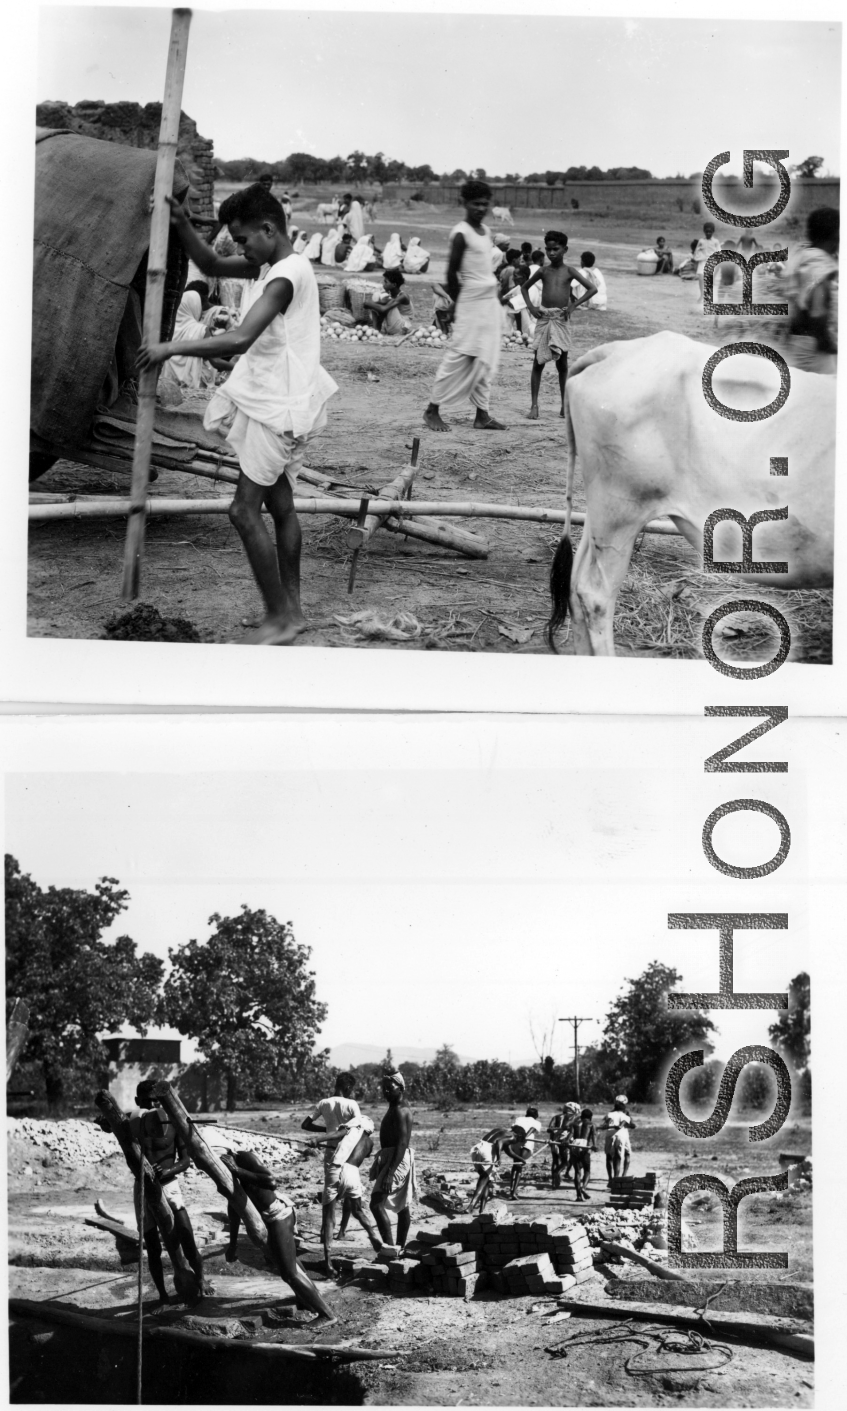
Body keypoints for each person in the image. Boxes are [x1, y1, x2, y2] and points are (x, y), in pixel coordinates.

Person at [138, 182, 338, 646]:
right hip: (282, 403)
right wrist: (181, 221)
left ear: (268, 228)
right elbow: (208, 263)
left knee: (242, 511)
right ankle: (292, 609)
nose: (242, 249)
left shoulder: (286, 276)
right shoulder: (276, 265)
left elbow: (240, 338)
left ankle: (280, 618)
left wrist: (171, 346)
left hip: (278, 411)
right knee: (281, 506)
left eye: (245, 239)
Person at [423, 179, 506, 432]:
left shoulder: (486, 231)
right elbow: (451, 274)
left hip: (488, 304)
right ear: (465, 203)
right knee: (459, 355)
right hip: (469, 302)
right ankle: (432, 410)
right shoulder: (461, 233)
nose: (481, 208)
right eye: (475, 204)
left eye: (485, 204)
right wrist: (455, 306)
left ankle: (482, 415)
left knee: (486, 358)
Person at [222, 1149, 336, 1321]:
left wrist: (237, 1171)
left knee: (289, 1273)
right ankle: (307, 1297)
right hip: (269, 1220)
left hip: (279, 1215)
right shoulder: (226, 1175)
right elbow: (234, 1209)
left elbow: (271, 1181)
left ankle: (326, 1315)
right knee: (287, 1265)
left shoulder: (243, 1158)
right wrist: (232, 1245)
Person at [132, 1078, 206, 1305]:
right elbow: (114, 1130)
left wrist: (166, 1170)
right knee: (153, 1246)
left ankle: (201, 1283)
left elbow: (185, 1161)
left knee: (186, 1235)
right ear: (138, 1101)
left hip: (170, 1184)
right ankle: (163, 1296)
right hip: (143, 1186)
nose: (154, 1105)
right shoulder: (133, 1124)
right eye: (148, 1101)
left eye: (157, 1100)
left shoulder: (174, 1124)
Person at [521, 230, 596, 419]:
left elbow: (592, 289)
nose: (551, 253)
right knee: (538, 362)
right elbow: (524, 287)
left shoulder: (569, 271)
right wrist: (531, 307)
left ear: (565, 249)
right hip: (544, 318)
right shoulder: (543, 271)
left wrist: (572, 306)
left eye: (556, 249)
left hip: (560, 319)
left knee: (562, 364)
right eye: (548, 249)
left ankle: (564, 406)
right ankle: (534, 406)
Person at [307, 1118, 383, 1276]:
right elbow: (363, 1152)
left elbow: (335, 1134)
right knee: (358, 1210)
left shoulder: (352, 1129)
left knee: (328, 1218)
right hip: (353, 1173)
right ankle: (373, 1235)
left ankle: (328, 1263)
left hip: (337, 1169)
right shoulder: (369, 1143)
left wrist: (316, 1140)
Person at [782, 206, 839, 374]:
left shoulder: (804, 256)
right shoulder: (819, 264)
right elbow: (817, 307)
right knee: (822, 392)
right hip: (813, 344)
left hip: (798, 339)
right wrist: (827, 343)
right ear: (836, 235)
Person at [370, 1070, 415, 1249]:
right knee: (402, 1205)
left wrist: (390, 1172)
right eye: (384, 1089)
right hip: (392, 1157)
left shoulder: (401, 1111)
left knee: (376, 1204)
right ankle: (400, 1248)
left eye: (390, 1088)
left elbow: (402, 1143)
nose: (386, 1092)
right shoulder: (393, 1108)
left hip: (397, 1159)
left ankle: (390, 1249)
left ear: (401, 1088)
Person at [467, 1126, 512, 1212]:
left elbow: (507, 1150)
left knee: (485, 1181)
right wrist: (499, 1158)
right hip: (488, 1151)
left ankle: (481, 1209)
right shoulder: (512, 1136)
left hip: (477, 1148)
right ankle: (471, 1206)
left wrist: (521, 1160)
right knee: (484, 1179)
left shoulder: (498, 1131)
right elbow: (500, 1143)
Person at [503, 1106, 541, 1198]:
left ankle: (512, 1190)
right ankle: (513, 1192)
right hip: (526, 1144)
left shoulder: (519, 1118)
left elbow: (515, 1128)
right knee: (519, 1166)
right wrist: (525, 1136)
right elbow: (532, 1129)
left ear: (526, 1114)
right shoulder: (537, 1122)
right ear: (536, 1116)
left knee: (515, 1165)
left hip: (515, 1143)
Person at [363, 269, 412, 334]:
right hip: (391, 324)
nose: (383, 284)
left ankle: (378, 329)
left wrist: (368, 303)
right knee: (377, 296)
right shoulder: (388, 294)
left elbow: (383, 309)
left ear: (394, 285)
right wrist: (373, 303)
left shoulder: (403, 296)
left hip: (401, 327)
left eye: (386, 282)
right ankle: (376, 330)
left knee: (384, 301)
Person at [599, 1096, 636, 1181]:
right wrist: (625, 1124)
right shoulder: (625, 1113)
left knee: (609, 1156)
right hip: (622, 1136)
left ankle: (611, 1179)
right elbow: (632, 1124)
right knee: (622, 1156)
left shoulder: (610, 1113)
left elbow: (605, 1124)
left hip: (610, 1135)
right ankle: (622, 1176)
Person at [548, 1102, 580, 1189]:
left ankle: (554, 1182)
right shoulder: (574, 1119)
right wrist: (563, 1130)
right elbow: (572, 1132)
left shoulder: (556, 1117)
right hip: (565, 1142)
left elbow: (549, 1129)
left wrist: (557, 1132)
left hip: (554, 1141)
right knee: (565, 1161)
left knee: (555, 1161)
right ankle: (557, 1174)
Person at [569, 1107, 597, 1201]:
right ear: (590, 1117)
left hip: (575, 1144)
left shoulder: (574, 1124)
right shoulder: (591, 1124)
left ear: (581, 1116)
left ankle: (578, 1196)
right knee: (587, 1170)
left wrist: (565, 1141)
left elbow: (570, 1135)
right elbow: (593, 1135)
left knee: (577, 1171)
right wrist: (595, 1145)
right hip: (584, 1146)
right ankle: (583, 1188)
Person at [693, 221, 723, 298]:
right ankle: (701, 294)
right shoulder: (701, 241)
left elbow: (719, 252)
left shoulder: (716, 241)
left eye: (710, 232)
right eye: (707, 232)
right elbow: (696, 251)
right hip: (702, 261)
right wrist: (697, 258)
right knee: (701, 278)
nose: (708, 233)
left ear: (713, 231)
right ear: (704, 231)